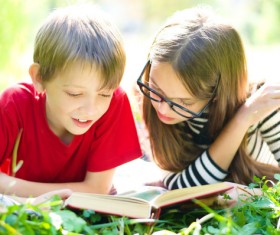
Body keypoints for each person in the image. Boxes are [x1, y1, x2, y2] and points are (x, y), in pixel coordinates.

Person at [0, 4, 142, 197]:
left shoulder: (116, 102)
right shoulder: (14, 104)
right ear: (39, 78)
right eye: (75, 94)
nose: (91, 110)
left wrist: (14, 188)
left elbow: (97, 189)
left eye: (104, 94)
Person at [137, 6, 280, 190]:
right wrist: (241, 121)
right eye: (156, 89)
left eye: (184, 102)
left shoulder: (262, 104)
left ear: (217, 93)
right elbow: (181, 188)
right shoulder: (149, 96)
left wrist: (246, 116)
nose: (162, 110)